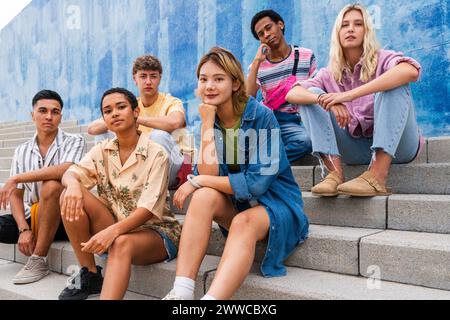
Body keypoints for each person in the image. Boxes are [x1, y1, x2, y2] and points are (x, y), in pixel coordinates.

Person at [163, 47, 309, 300]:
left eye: (218, 79)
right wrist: (207, 124)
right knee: (203, 197)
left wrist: (197, 180)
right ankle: (182, 292)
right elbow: (206, 174)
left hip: (277, 206)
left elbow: (256, 184)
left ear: (235, 83)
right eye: (203, 79)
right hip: (239, 207)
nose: (209, 86)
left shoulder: (261, 116)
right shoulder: (210, 118)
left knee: (237, 216)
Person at [286, 3, 423, 197]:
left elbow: (410, 71)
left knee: (393, 83)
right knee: (311, 95)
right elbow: (292, 94)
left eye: (358, 24)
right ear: (337, 33)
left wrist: (347, 96)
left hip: (400, 147)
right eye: (344, 25)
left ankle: (377, 176)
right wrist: (326, 100)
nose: (350, 29)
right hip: (356, 150)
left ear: (366, 30)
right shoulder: (329, 74)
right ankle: (334, 174)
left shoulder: (383, 58)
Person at [57, 88, 181, 300]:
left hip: (155, 232)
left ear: (135, 112)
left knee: (122, 243)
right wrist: (74, 185)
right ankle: (91, 273)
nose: (114, 113)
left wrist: (112, 232)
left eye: (121, 107)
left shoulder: (156, 153)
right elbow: (70, 174)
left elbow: (147, 209)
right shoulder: (102, 150)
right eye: (108, 110)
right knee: (67, 194)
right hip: (115, 224)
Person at [0, 90, 85, 284]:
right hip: (36, 217)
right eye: (43, 110)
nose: (49, 116)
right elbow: (16, 196)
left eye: (55, 112)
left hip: (67, 217)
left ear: (60, 116)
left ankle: (39, 259)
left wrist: (17, 177)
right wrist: (23, 230)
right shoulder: (21, 150)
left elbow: (64, 169)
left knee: (52, 185)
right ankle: (39, 233)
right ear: (33, 115)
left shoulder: (75, 140)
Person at [87, 55, 193, 189]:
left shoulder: (171, 102)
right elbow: (92, 129)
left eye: (153, 76)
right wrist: (120, 119)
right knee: (103, 134)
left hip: (175, 168)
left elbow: (175, 122)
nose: (148, 81)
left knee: (158, 136)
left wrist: (135, 119)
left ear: (160, 78)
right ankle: (113, 183)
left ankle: (148, 187)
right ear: (135, 79)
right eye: (143, 76)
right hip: (140, 167)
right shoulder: (129, 105)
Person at [247, 9, 316, 163]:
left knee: (308, 141)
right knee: (305, 142)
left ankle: (261, 161)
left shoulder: (306, 55)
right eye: (261, 34)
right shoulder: (258, 66)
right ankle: (262, 162)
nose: (266, 34)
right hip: (274, 120)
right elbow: (248, 97)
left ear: (281, 24)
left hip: (304, 117)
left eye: (268, 27)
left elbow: (316, 86)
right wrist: (257, 62)